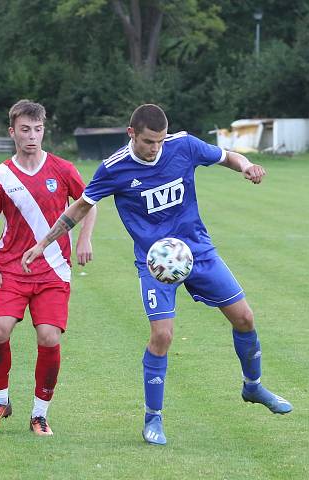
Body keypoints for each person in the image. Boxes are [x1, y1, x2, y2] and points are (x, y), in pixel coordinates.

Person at [22, 104, 292, 446]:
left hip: (197, 251)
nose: (156, 148)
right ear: (132, 134)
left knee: (245, 318)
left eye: (161, 141)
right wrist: (43, 243)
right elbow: (80, 207)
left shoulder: (184, 145)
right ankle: (153, 420)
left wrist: (247, 166)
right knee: (162, 336)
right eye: (149, 141)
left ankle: (253, 387)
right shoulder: (114, 168)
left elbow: (227, 156)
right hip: (155, 265)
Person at [0, 99, 97, 436]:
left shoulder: (63, 168)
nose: (32, 136)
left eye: (38, 129)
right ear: (12, 131)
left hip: (54, 271)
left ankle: (39, 414)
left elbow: (89, 203)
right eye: (25, 130)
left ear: (44, 130)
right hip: (10, 270)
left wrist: (85, 240)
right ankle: (0, 401)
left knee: (48, 336)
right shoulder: (0, 175)